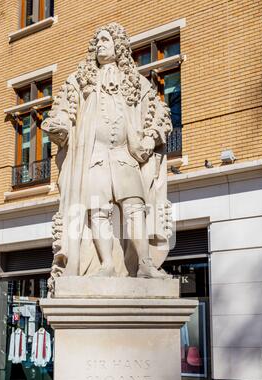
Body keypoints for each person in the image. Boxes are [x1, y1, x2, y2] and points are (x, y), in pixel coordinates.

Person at [42, 22, 173, 294]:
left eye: (106, 40)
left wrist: (150, 138)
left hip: (125, 155)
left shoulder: (137, 82)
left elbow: (161, 115)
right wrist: (60, 127)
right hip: (94, 155)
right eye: (97, 41)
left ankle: (145, 263)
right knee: (97, 210)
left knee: (135, 207)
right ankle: (105, 264)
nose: (100, 44)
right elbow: (64, 112)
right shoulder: (80, 80)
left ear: (118, 46)